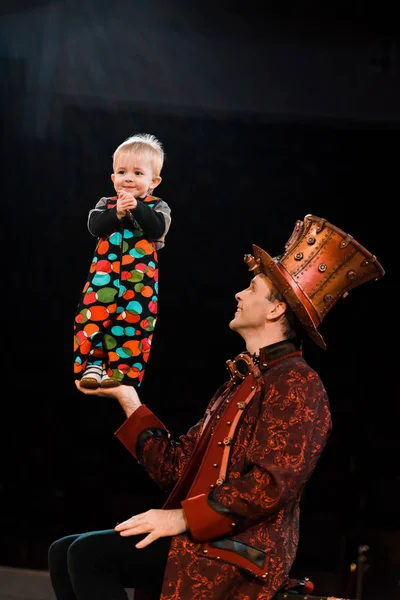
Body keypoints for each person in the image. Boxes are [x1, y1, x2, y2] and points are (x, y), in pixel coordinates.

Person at [51, 215, 384, 600]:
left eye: (252, 288)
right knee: (63, 552)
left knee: (89, 555)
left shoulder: (297, 383)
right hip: (208, 537)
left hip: (242, 550)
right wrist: (129, 399)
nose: (239, 294)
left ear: (276, 311)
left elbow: (271, 485)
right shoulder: (240, 383)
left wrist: (180, 517)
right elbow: (175, 468)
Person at [73, 133, 171, 389]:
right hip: (103, 278)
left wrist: (137, 208)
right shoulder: (106, 204)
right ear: (113, 178)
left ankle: (120, 372)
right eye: (122, 172)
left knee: (132, 323)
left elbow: (156, 228)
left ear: (154, 181)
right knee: (92, 316)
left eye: (138, 173)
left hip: (139, 283)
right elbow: (95, 227)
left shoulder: (158, 207)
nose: (128, 178)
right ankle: (93, 364)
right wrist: (117, 212)